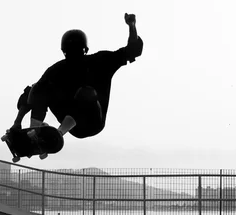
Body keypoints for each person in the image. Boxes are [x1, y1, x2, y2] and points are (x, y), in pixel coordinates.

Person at [11, 13, 143, 139]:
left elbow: (30, 93)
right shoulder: (100, 60)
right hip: (73, 123)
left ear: (63, 51)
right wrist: (131, 25)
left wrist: (17, 121)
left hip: (92, 121)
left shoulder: (98, 62)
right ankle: (34, 132)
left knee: (83, 93)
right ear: (85, 49)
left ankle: (55, 133)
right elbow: (133, 50)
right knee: (40, 87)